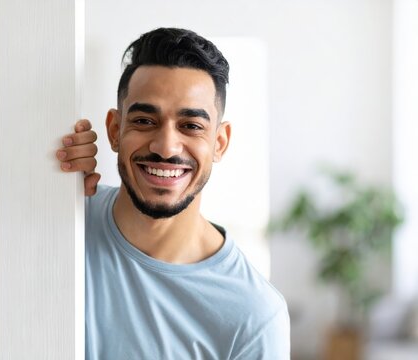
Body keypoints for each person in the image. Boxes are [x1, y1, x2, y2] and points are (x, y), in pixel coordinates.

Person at [56, 28, 290, 359]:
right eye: (144, 120)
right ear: (113, 131)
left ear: (219, 142)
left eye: (191, 126)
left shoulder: (254, 316)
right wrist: (43, 173)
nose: (166, 147)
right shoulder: (63, 217)